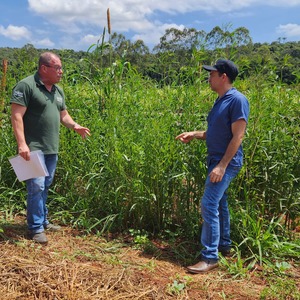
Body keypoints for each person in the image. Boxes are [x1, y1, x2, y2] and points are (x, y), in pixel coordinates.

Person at [176, 59, 249, 273]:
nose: (209, 77)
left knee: (208, 203)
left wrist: (222, 165)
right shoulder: (220, 101)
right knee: (219, 203)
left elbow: (238, 136)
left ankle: (209, 257)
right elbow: (213, 133)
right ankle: (224, 245)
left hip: (225, 162)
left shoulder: (237, 100)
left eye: (212, 74)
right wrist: (194, 134)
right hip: (215, 160)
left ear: (223, 77)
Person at [10, 52, 91, 244]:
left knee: (45, 185)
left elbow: (63, 115)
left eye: (61, 68)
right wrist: (22, 144)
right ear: (44, 68)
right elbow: (16, 116)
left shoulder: (57, 90)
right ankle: (35, 228)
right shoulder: (26, 86)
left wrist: (75, 126)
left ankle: (43, 220)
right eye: (58, 68)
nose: (61, 72)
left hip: (50, 148)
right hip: (32, 148)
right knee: (36, 186)